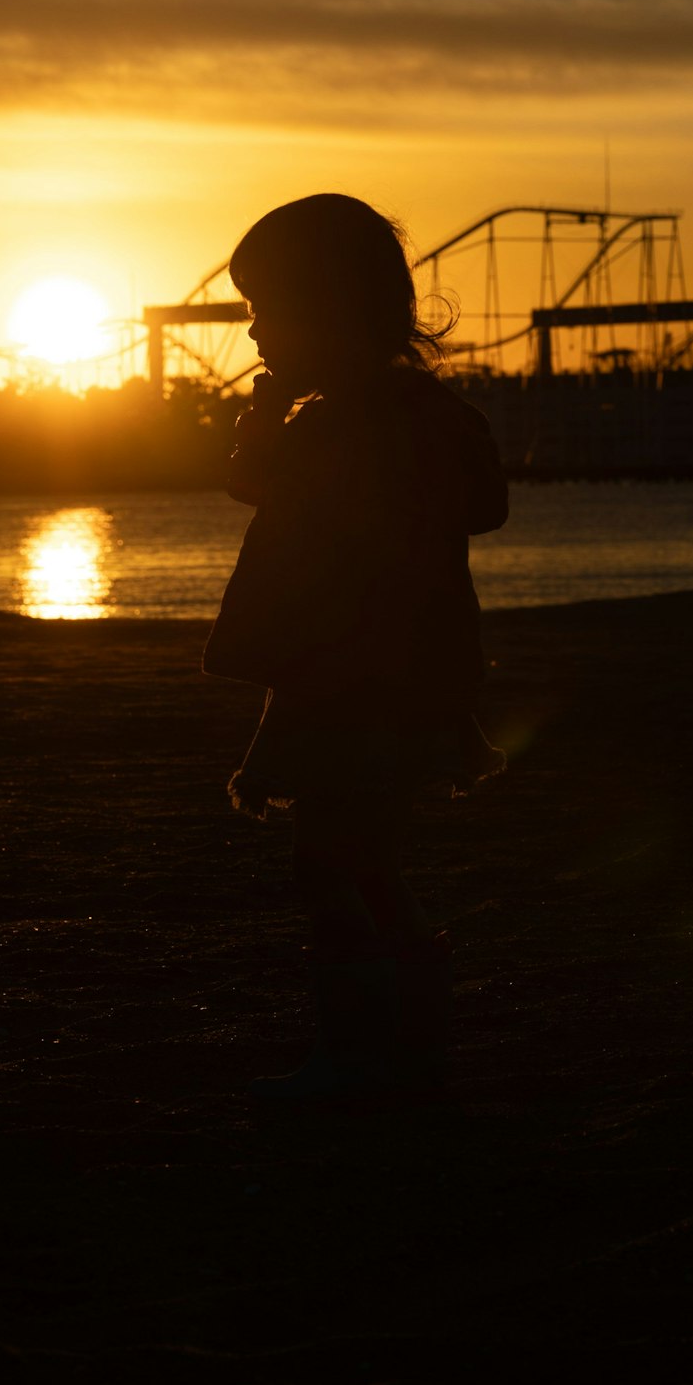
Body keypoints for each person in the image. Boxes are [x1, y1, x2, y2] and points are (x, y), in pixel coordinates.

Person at [203, 193, 510, 1099]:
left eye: (264, 311)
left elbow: (420, 509)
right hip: (372, 674)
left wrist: (286, 453)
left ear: (328, 309)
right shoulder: (377, 415)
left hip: (359, 678)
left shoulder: (374, 421)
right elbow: (477, 505)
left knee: (340, 864)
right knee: (355, 859)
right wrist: (270, 442)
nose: (253, 334)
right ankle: (400, 1038)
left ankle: (370, 1049)